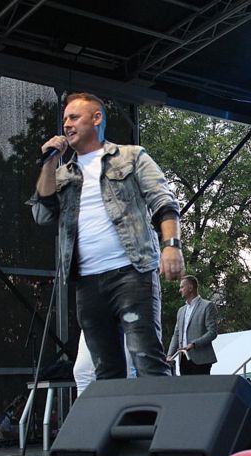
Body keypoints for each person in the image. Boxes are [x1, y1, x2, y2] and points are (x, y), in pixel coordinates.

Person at [30, 92, 184, 379]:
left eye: (74, 117)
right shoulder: (62, 174)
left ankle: (160, 410)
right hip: (87, 283)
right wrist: (49, 163)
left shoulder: (131, 156)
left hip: (131, 273)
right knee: (106, 371)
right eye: (64, 119)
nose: (67, 124)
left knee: (147, 361)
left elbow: (163, 201)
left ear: (96, 118)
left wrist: (171, 246)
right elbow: (42, 215)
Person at [167, 275, 219, 375]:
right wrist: (169, 355)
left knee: (200, 385)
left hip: (201, 360)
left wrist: (194, 344)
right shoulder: (181, 311)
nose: (180, 290)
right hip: (183, 359)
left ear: (190, 288)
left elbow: (212, 332)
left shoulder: (207, 306)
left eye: (182, 287)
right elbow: (176, 335)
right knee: (186, 385)